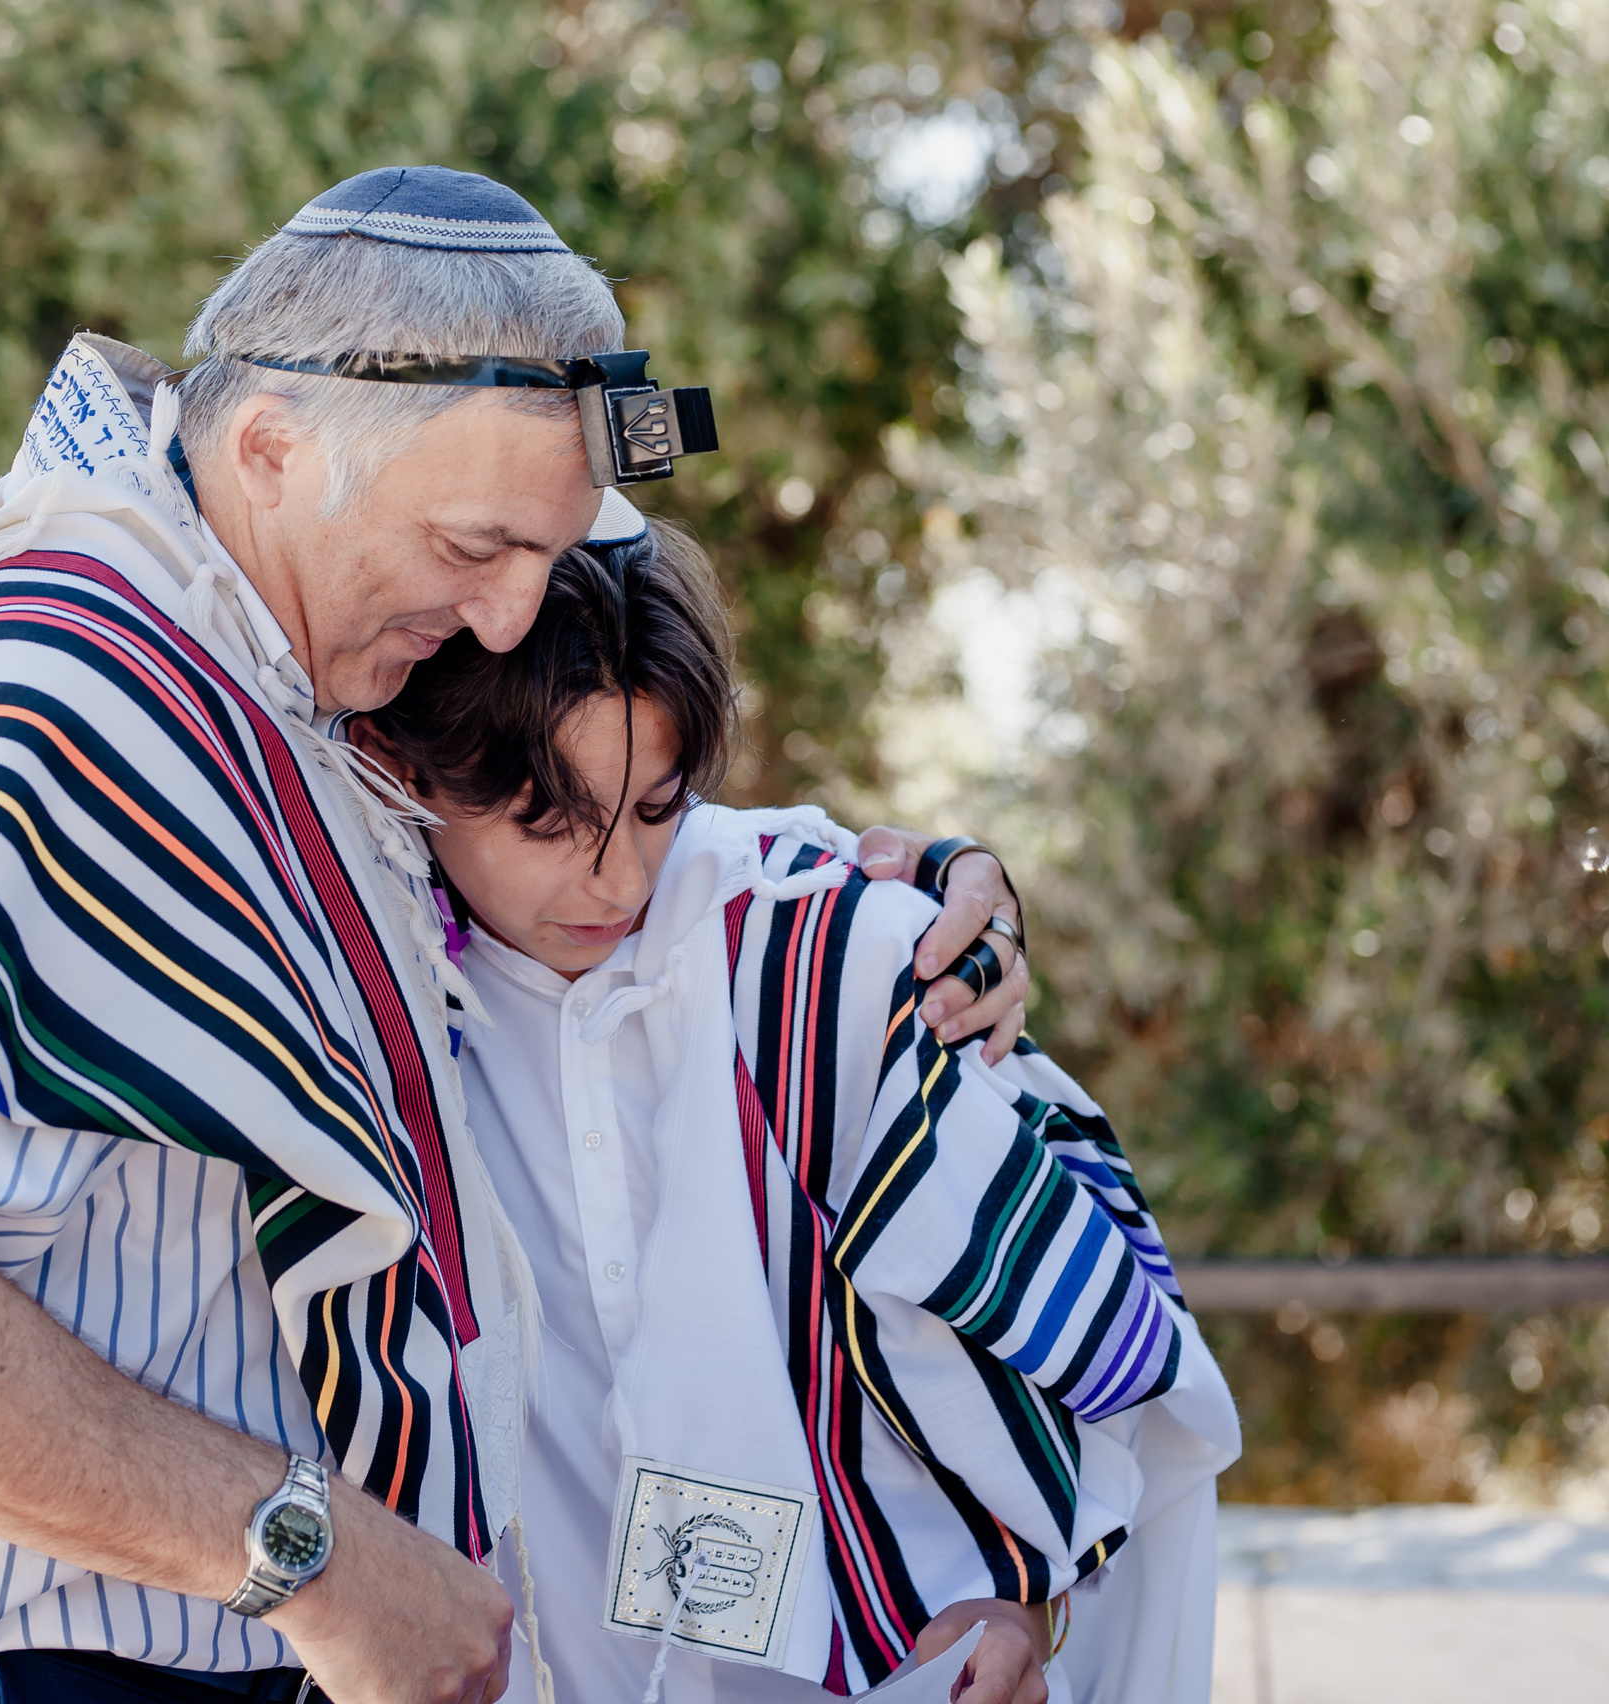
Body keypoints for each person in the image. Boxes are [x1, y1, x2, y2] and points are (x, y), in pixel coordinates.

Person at [0, 167, 1031, 1704]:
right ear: (271, 445)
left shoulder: (276, 702)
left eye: (547, 559)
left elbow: (596, 857)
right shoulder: (68, 690)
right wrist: (312, 1555)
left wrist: (923, 889)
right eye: (476, 551)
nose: (500, 620)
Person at [353, 515, 1242, 1704]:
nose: (615, 879)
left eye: (655, 809)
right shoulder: (372, 989)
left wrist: (1034, 1595)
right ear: (408, 770)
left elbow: (1111, 1340)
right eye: (548, 822)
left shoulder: (826, 953)